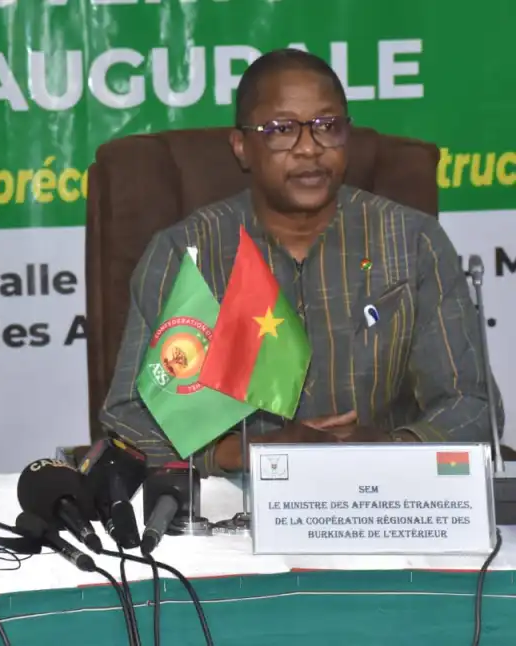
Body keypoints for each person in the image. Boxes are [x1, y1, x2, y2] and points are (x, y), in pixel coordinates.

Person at [101, 49, 504, 477]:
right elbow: (130, 415)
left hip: (387, 499)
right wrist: (249, 453)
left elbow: (471, 404)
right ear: (242, 148)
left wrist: (392, 447)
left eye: (327, 126)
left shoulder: (412, 242)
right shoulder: (188, 253)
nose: (309, 148)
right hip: (233, 513)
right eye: (281, 129)